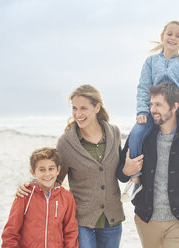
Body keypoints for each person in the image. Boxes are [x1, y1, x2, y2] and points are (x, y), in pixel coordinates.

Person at [16, 84, 124, 248]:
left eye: (83, 108)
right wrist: (30, 185)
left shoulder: (114, 133)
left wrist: (130, 170)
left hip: (112, 217)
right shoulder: (67, 142)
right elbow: (54, 179)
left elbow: (120, 172)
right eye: (74, 108)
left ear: (97, 107)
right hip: (81, 220)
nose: (78, 114)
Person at [117, 83, 179, 248]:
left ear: (174, 106)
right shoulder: (141, 137)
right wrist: (127, 170)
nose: (152, 109)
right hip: (146, 220)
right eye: (151, 104)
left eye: (158, 105)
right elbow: (120, 173)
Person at [121, 20, 179, 211]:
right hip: (155, 110)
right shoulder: (151, 61)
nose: (173, 38)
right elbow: (143, 87)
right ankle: (135, 180)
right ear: (162, 37)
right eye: (170, 34)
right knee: (135, 134)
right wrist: (142, 111)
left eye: (178, 35)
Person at [2, 147, 78, 247]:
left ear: (58, 170)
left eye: (51, 169)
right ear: (33, 172)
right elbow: (11, 232)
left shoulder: (67, 197)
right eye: (42, 170)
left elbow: (70, 232)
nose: (47, 174)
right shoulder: (24, 195)